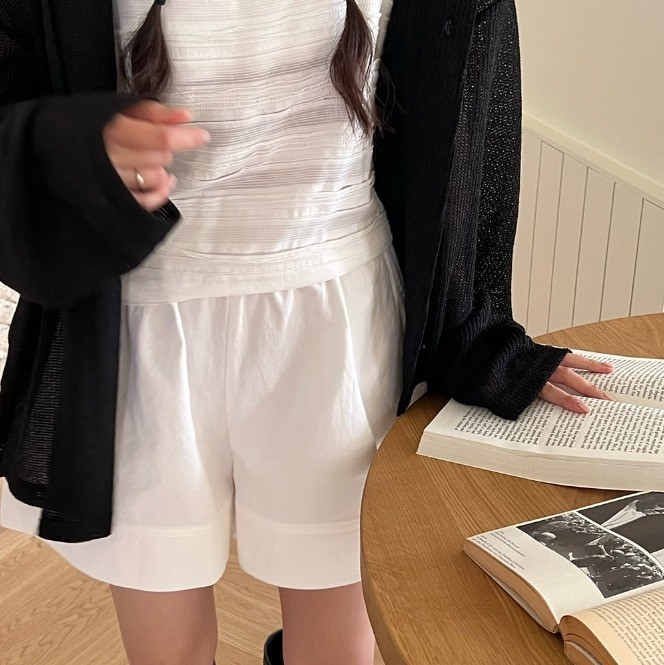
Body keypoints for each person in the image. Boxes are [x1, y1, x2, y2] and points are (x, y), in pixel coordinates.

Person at [0, 0, 615, 663]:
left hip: (339, 326)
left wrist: (486, 340)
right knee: (167, 653)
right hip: (135, 333)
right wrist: (74, 150)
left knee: (337, 652)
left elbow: (473, 131)